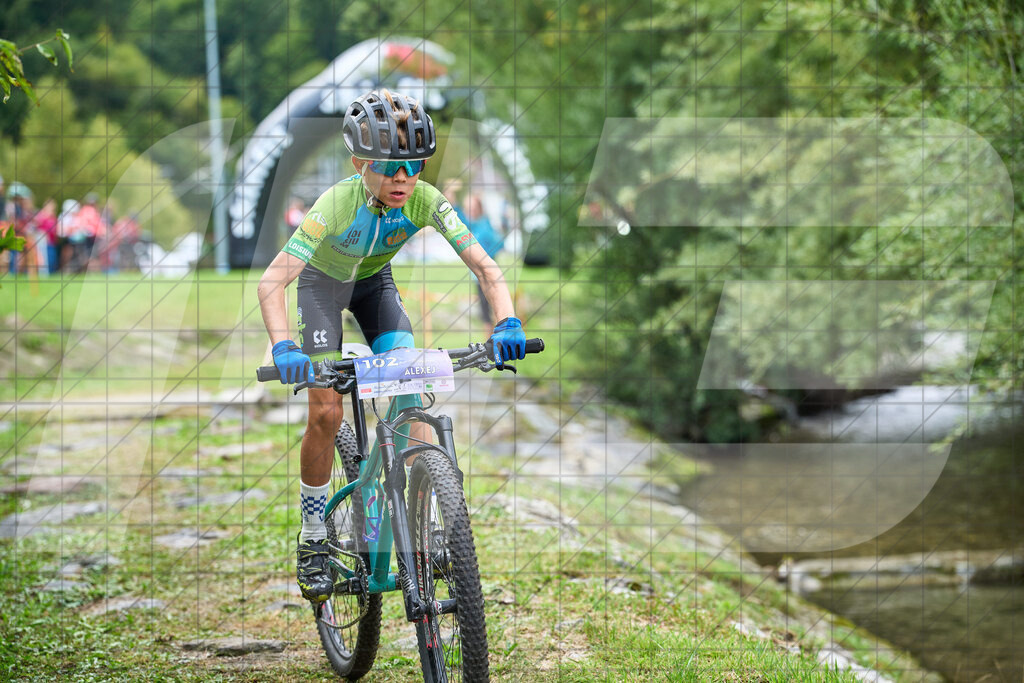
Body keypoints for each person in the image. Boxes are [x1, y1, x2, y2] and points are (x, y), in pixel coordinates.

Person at [257, 89, 526, 603]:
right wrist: (285, 348)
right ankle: (314, 539)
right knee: (326, 414)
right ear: (359, 161)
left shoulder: (426, 199)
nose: (403, 179)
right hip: (320, 290)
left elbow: (486, 267)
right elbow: (272, 283)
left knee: (413, 389)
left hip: (375, 288)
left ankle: (429, 516)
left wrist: (507, 322)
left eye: (414, 166)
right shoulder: (334, 204)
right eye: (389, 167)